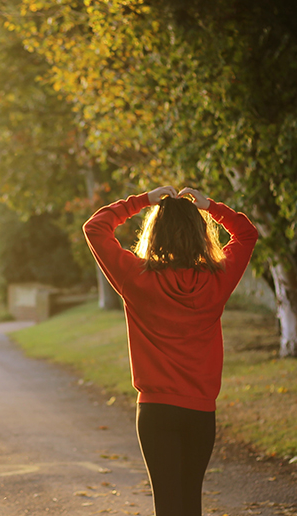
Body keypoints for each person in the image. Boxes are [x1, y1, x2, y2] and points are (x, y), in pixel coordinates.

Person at [83, 186, 258, 516]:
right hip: (200, 412)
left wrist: (142, 200)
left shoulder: (137, 278)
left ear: (156, 233)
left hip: (155, 412)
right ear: (200, 234)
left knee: (167, 505)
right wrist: (210, 206)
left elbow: (95, 227)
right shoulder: (216, 279)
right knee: (191, 502)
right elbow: (247, 234)